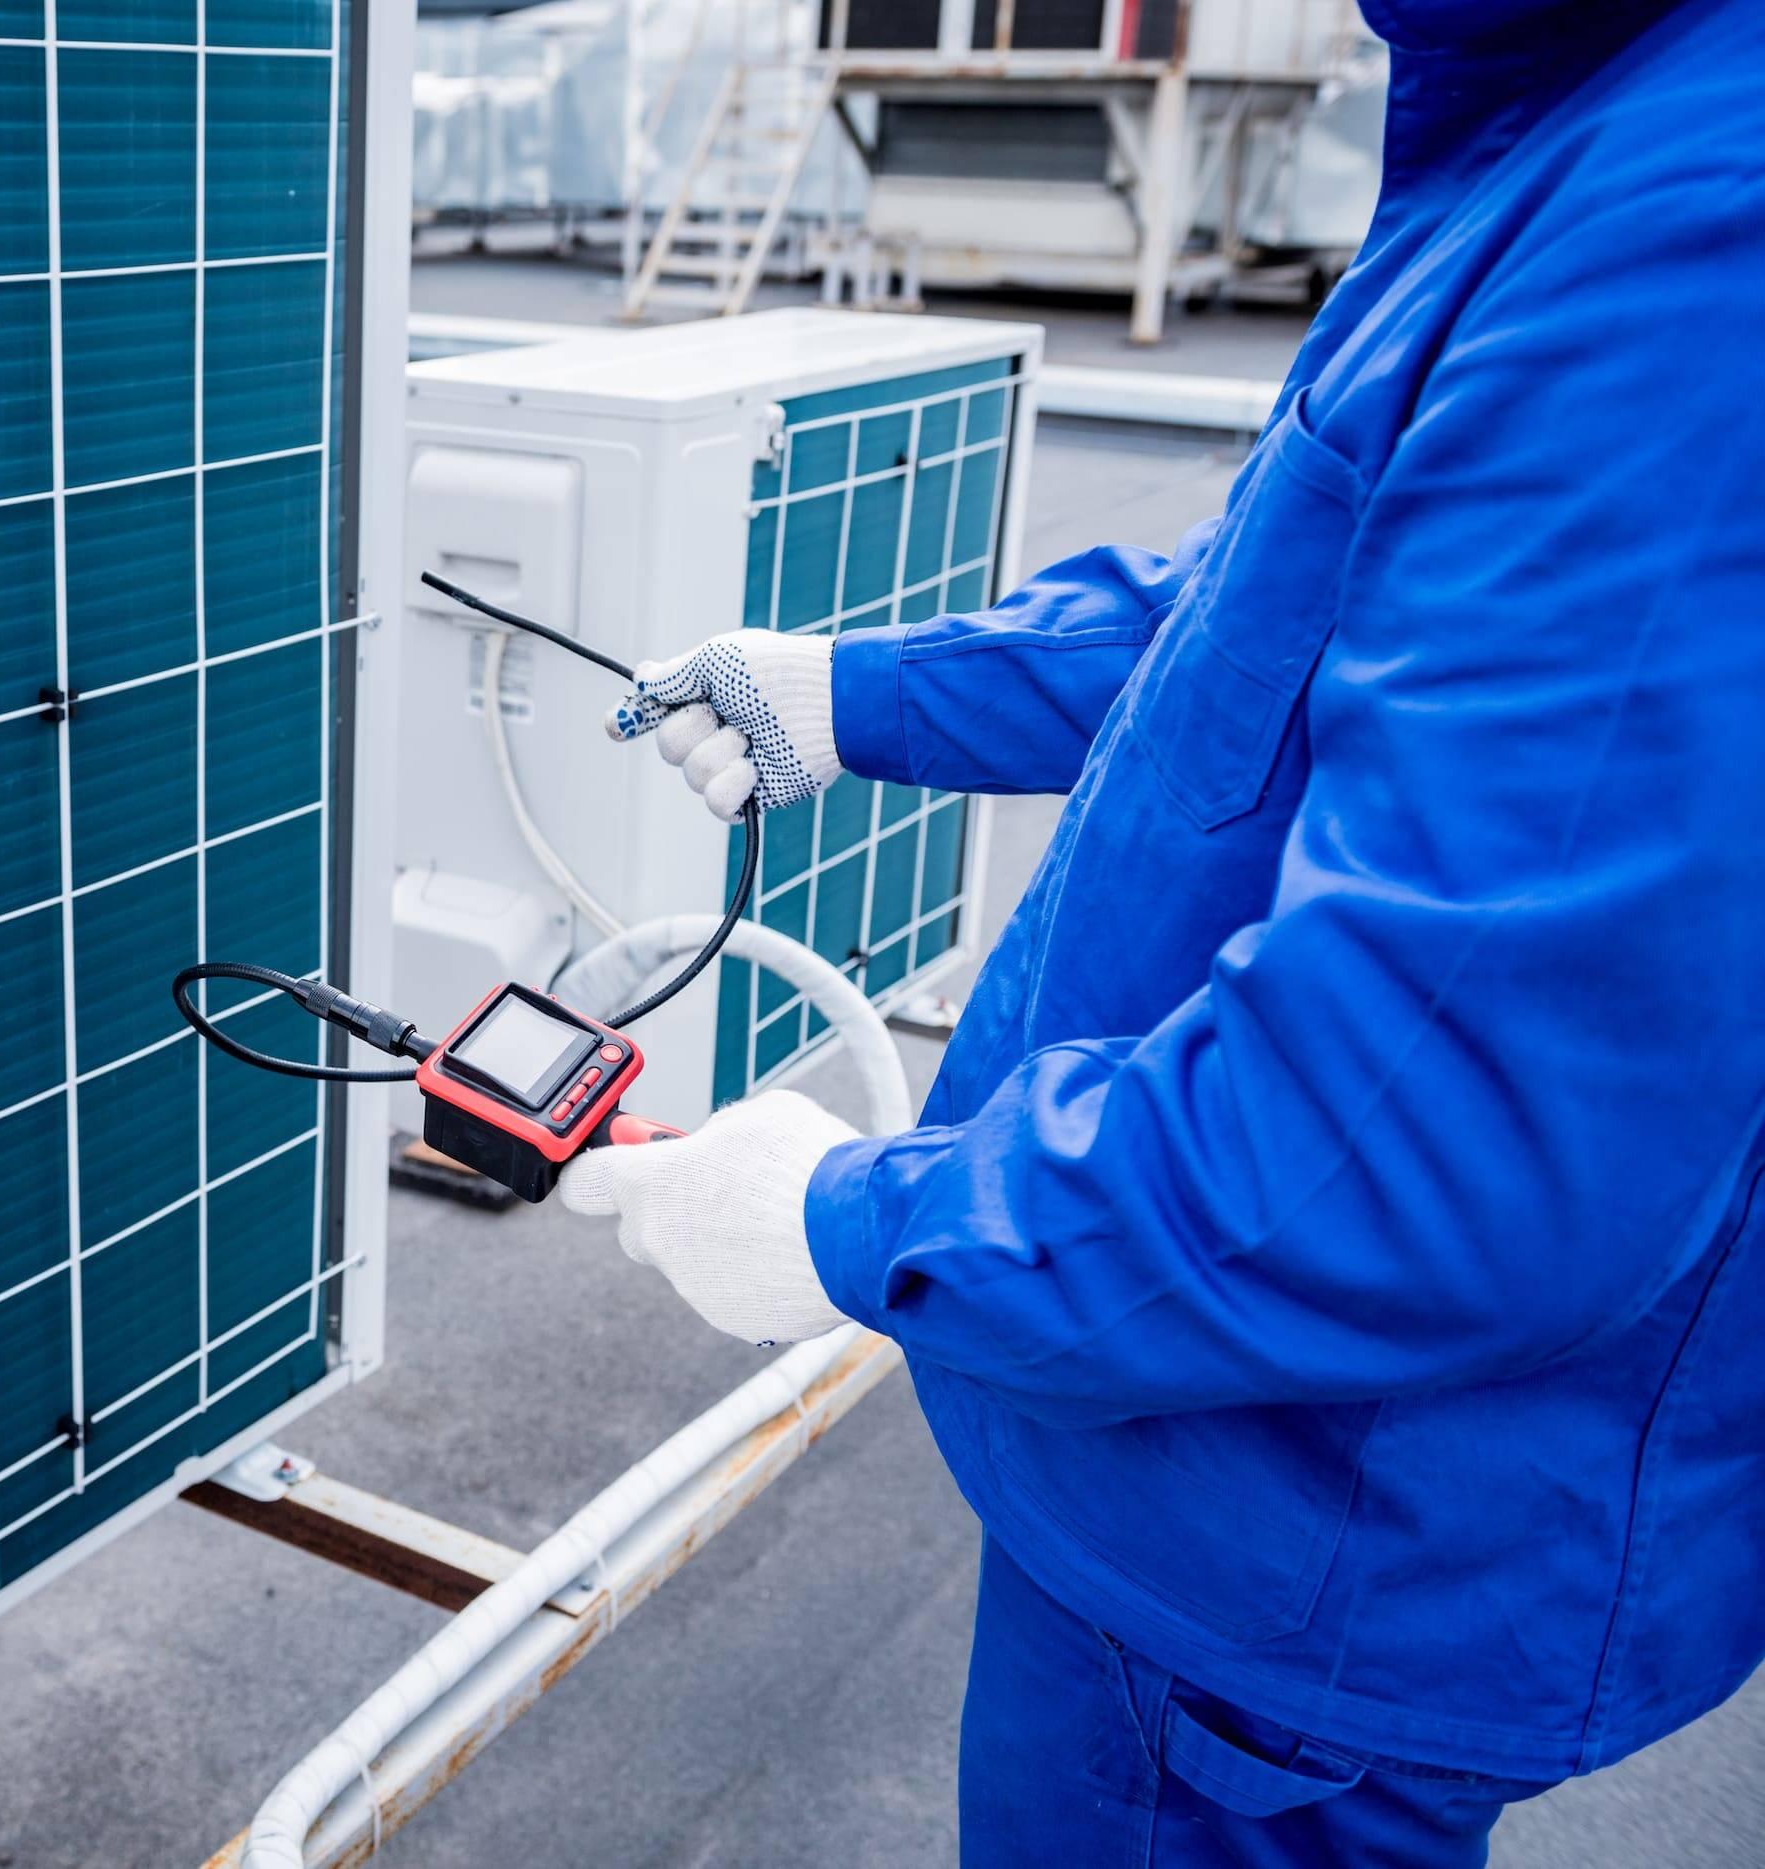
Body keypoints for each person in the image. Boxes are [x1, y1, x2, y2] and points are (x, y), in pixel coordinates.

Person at [558, 1, 1765, 1861]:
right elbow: (1284, 602)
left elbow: (1421, 1144)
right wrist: (862, 688)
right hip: (1245, 1483)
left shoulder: (1690, 230)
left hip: (1290, 1567)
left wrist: (845, 1223)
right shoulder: (1563, 138)